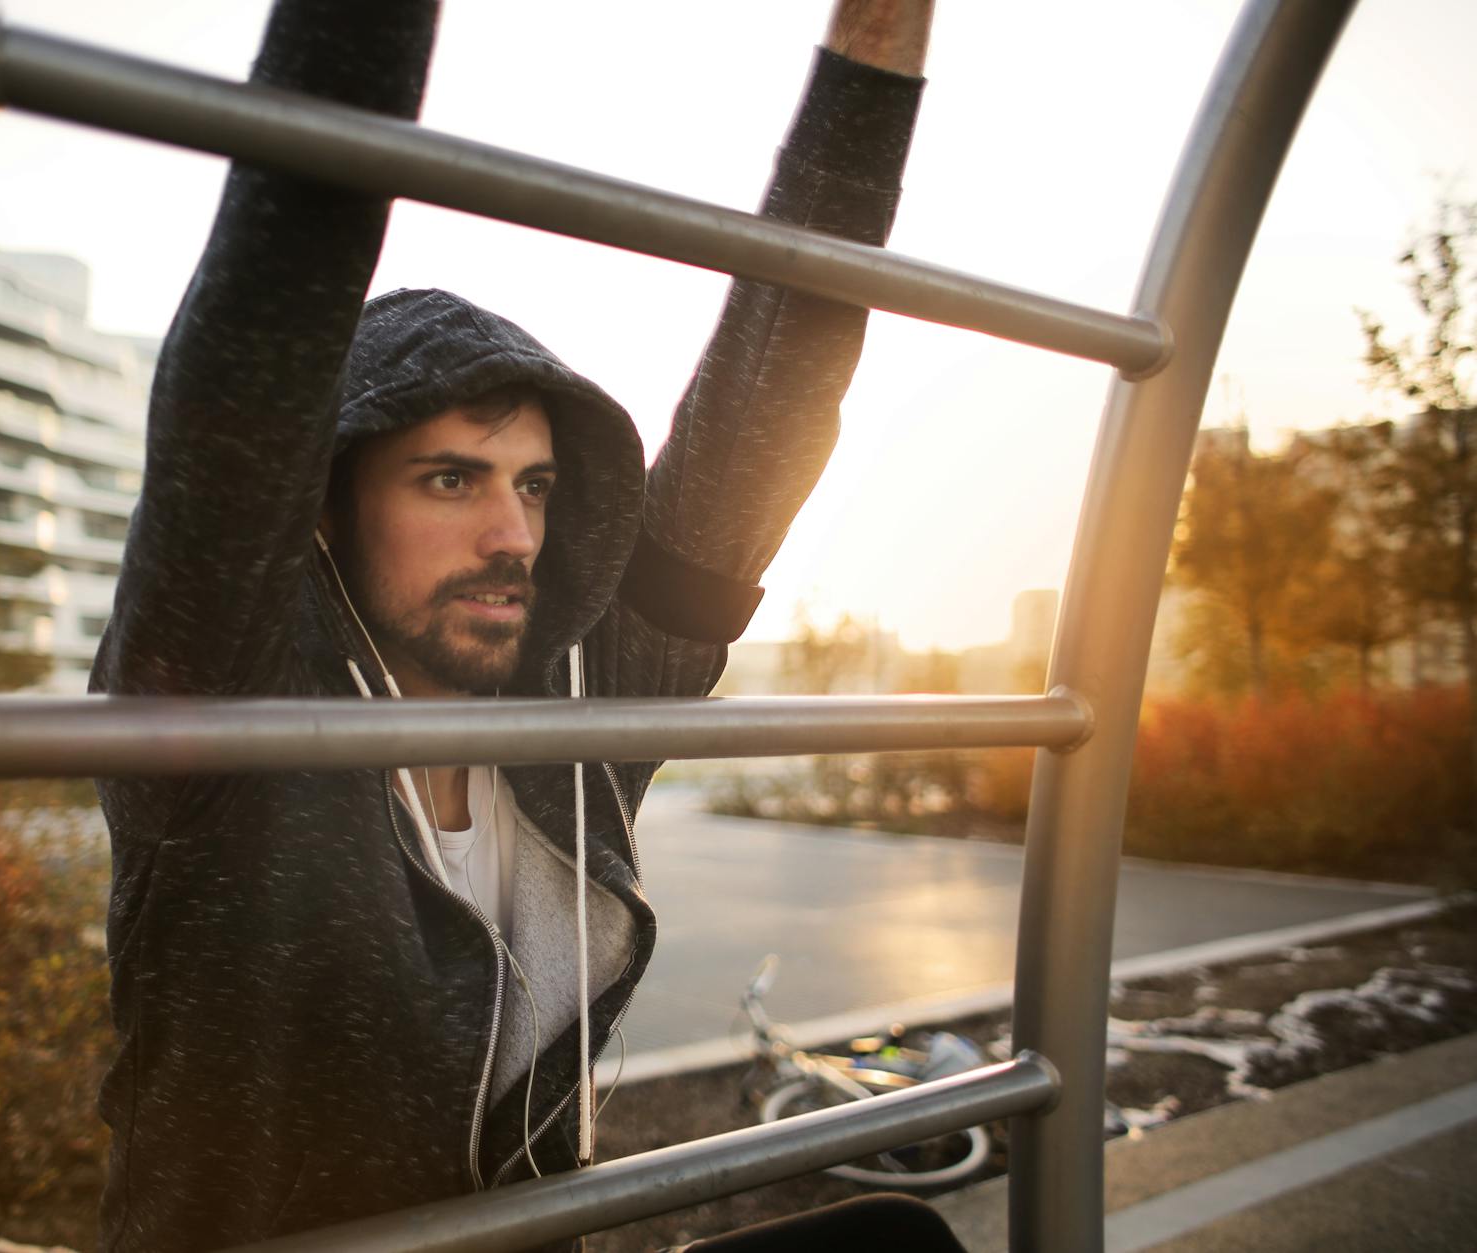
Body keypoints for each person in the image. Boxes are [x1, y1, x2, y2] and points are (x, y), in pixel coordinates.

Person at [90, 1, 956, 1249]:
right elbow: (265, 307)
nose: (513, 534)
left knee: (893, 1243)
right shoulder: (229, 706)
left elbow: (766, 401)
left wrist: (874, 42)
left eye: (534, 485)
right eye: (450, 479)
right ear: (323, 508)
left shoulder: (581, 702)